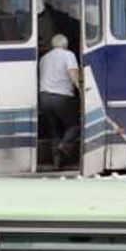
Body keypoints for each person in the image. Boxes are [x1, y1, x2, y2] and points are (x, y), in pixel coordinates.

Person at [38, 33, 81, 170]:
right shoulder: (68, 55)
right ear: (65, 45)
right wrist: (81, 90)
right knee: (74, 126)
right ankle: (63, 147)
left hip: (44, 98)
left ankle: (57, 164)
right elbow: (73, 74)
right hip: (61, 97)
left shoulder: (44, 58)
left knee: (54, 131)